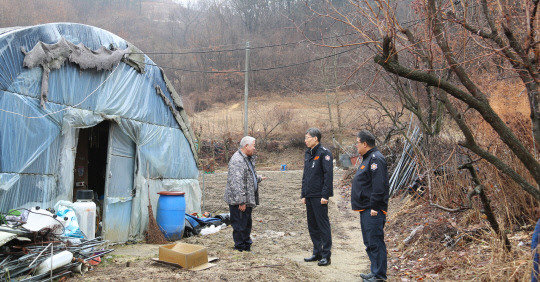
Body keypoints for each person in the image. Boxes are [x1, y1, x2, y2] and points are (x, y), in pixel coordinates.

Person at [352, 130, 389, 281]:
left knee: (375, 241)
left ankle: (379, 275)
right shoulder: (367, 158)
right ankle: (375, 271)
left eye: (357, 143)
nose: (356, 146)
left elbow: (379, 185)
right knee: (369, 242)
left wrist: (375, 206)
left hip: (372, 209)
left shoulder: (376, 159)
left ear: (365, 144)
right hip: (365, 208)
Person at [224, 136, 264, 252]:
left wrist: (259, 178)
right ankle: (240, 247)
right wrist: (241, 201)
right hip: (240, 201)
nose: (254, 148)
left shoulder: (247, 159)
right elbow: (236, 182)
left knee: (246, 224)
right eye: (253, 145)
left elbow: (248, 176)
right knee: (240, 225)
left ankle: (246, 245)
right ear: (246, 146)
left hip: (246, 200)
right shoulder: (238, 160)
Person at [301, 128, 333, 266]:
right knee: (312, 225)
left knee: (322, 226)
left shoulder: (324, 153)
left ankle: (326, 255)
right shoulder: (308, 153)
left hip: (320, 196)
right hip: (309, 195)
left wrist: (325, 195)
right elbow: (306, 175)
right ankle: (317, 252)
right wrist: (303, 194)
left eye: (307, 137)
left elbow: (328, 175)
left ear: (315, 138)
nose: (305, 140)